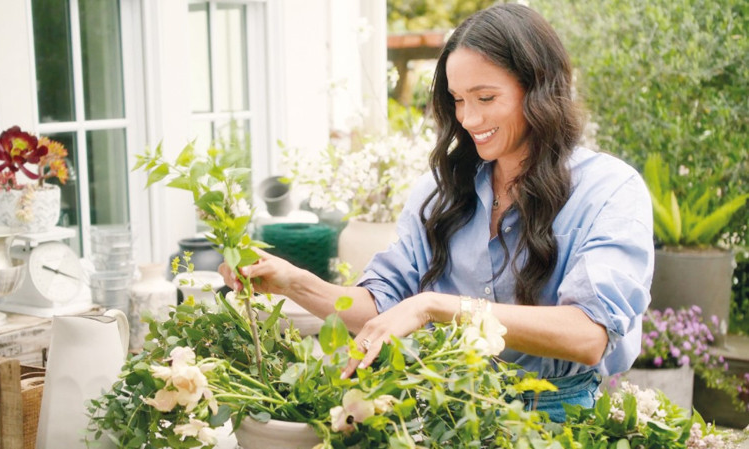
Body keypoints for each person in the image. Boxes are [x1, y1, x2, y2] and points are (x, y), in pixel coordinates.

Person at [219, 3, 654, 423]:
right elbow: (381, 306)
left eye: (485, 97)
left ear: (539, 88)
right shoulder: (442, 192)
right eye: (458, 99)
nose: (468, 118)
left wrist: (435, 306)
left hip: (556, 421)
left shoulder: (609, 190)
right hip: (446, 412)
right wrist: (294, 282)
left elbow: (588, 336)